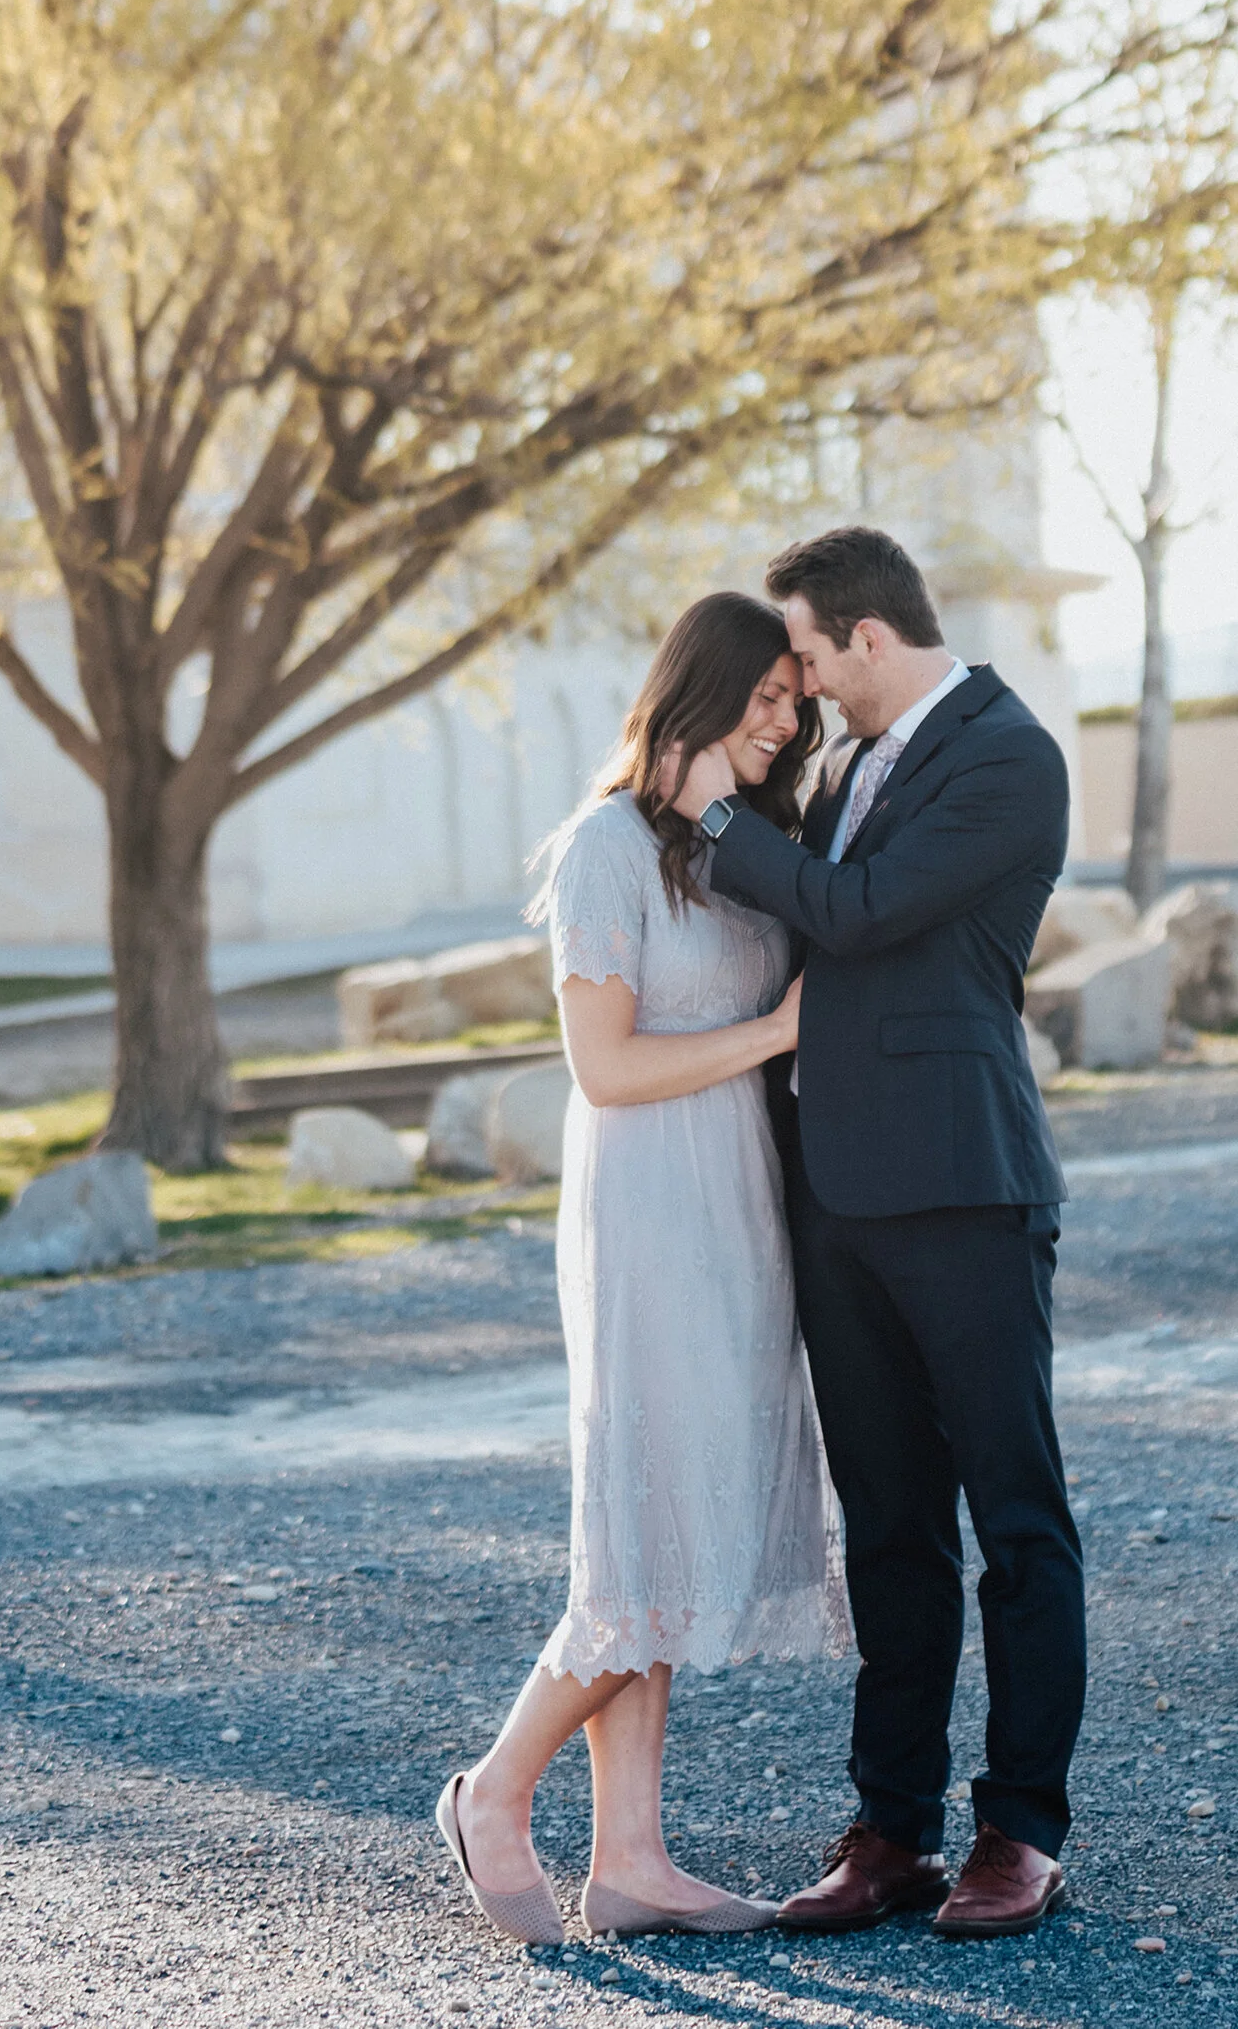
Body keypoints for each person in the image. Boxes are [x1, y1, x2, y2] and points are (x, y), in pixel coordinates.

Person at [679, 520, 1084, 1944]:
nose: (795, 689)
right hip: (837, 1201)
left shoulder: (1008, 753)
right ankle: (892, 1828)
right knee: (889, 1534)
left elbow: (856, 916)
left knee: (1015, 1521)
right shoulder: (841, 764)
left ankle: (1020, 1829)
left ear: (863, 635)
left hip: (968, 1190)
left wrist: (715, 821)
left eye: (802, 656)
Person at [436, 592, 842, 1945]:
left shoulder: (741, 847)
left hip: (740, 1210)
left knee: (665, 1536)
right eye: (774, 695)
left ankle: (631, 1859)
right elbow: (604, 1070)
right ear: (707, 686)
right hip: (649, 1213)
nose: (791, 719)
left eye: (799, 700)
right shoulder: (606, 846)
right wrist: (778, 1027)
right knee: (634, 1548)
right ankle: (495, 1790)